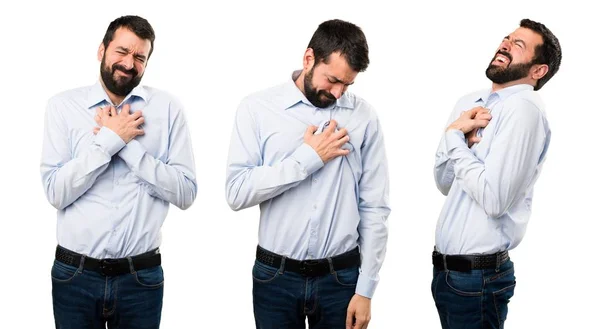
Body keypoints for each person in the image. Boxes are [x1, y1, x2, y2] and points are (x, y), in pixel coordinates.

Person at [225, 19, 390, 329]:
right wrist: (308, 158)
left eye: (348, 84)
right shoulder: (257, 109)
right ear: (308, 59)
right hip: (275, 278)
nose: (339, 93)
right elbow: (236, 192)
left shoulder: (364, 117)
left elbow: (375, 207)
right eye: (332, 80)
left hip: (342, 279)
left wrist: (366, 289)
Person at [40, 15, 197, 328]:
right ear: (101, 51)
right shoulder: (62, 106)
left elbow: (185, 193)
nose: (129, 63)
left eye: (139, 57)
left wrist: (127, 146)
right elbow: (56, 193)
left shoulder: (168, 109)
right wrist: (108, 142)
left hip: (140, 278)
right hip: (74, 276)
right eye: (121, 52)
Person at [431, 18, 561, 329]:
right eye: (507, 39)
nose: (505, 45)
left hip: (479, 279)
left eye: (519, 45)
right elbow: (444, 183)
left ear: (538, 70)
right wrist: (459, 138)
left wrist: (453, 138)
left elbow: (494, 199)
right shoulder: (470, 103)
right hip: (447, 274)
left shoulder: (524, 109)